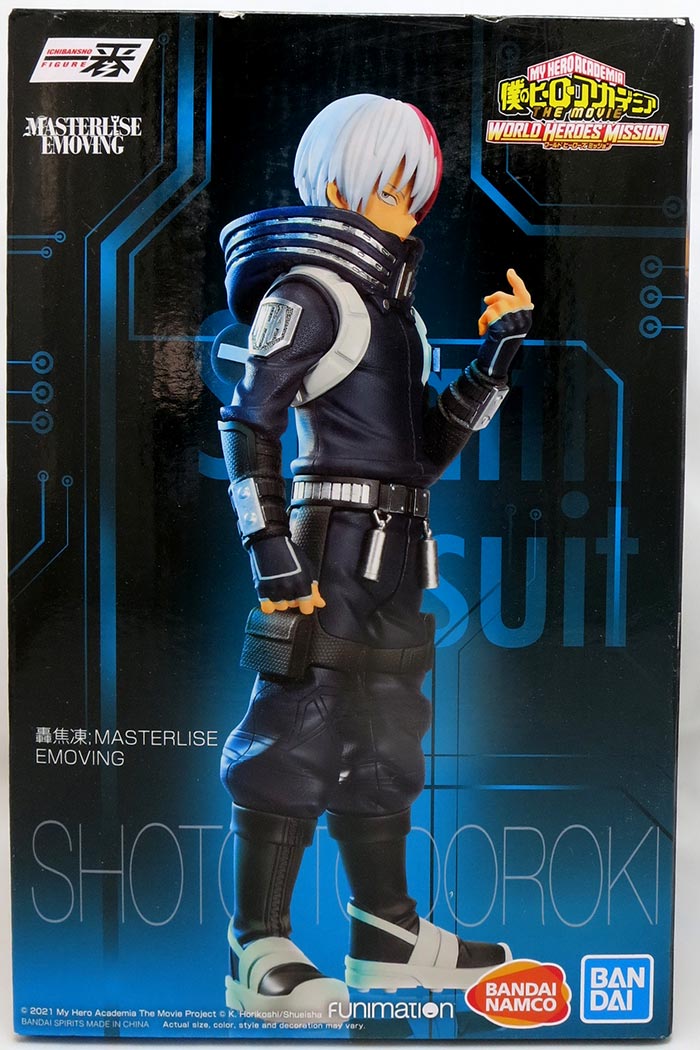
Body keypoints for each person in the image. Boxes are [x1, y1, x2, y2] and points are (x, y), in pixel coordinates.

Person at [217, 93, 533, 1019]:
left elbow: (420, 454)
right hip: (324, 544)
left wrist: (493, 363)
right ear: (341, 182)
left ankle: (387, 933)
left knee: (388, 731)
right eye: (392, 189)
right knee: (297, 724)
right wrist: (270, 553)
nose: (405, 212)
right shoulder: (307, 294)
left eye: (413, 195)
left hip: (398, 549)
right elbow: (248, 422)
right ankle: (256, 943)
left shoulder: (400, 317)